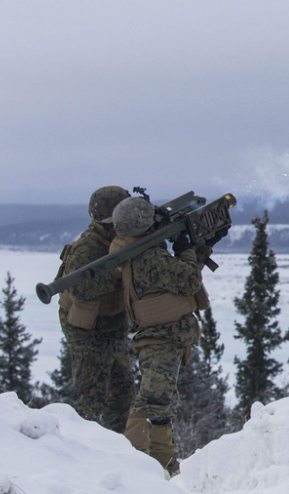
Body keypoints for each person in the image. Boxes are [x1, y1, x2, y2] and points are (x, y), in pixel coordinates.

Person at [111, 196, 223, 475]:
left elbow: (179, 275)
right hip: (159, 338)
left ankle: (163, 465)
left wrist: (202, 245)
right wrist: (187, 249)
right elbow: (187, 280)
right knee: (152, 401)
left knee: (162, 406)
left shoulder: (133, 250)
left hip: (163, 337)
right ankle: (134, 467)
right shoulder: (149, 256)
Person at [55, 185, 135, 433]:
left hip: (112, 326)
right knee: (92, 398)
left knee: (122, 394)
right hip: (87, 331)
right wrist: (113, 274)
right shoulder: (88, 247)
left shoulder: (119, 239)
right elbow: (77, 289)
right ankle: (83, 449)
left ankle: (117, 446)